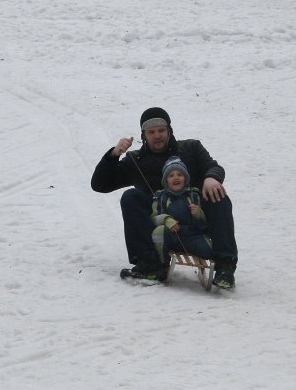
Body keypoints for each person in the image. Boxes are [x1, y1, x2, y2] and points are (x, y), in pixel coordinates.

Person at [91, 106, 238, 288]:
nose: (157, 135)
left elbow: (213, 167)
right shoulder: (136, 160)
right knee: (131, 197)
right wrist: (114, 155)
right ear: (144, 135)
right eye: (151, 132)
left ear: (169, 130)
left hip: (195, 219)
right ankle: (149, 264)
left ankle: (225, 267)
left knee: (218, 195)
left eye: (161, 130)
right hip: (159, 223)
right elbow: (99, 185)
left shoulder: (191, 148)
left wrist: (211, 177)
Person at [151, 156, 212, 265]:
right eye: (171, 175)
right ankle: (161, 264)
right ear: (166, 181)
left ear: (185, 178)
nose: (176, 178)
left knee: (209, 250)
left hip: (192, 236)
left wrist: (198, 214)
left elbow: (203, 224)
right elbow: (153, 219)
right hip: (172, 237)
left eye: (179, 174)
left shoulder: (193, 195)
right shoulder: (161, 197)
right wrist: (166, 219)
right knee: (158, 232)